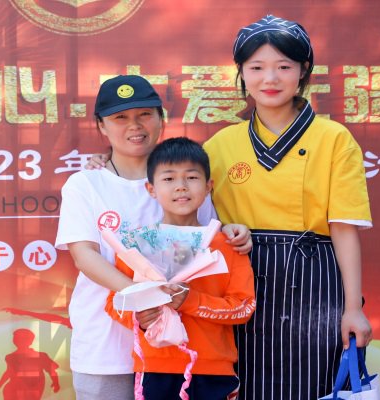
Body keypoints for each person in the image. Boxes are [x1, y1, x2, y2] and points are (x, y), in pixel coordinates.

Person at [203, 15, 374, 398]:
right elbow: (181, 204)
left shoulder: (334, 138)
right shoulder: (219, 145)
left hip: (315, 288)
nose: (270, 79)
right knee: (244, 385)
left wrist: (353, 308)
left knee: (313, 384)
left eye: (283, 67)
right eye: (256, 68)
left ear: (303, 71)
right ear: (241, 73)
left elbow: (344, 228)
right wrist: (107, 162)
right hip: (240, 286)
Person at [55, 75, 252, 400]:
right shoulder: (85, 183)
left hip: (179, 353)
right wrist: (144, 297)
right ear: (101, 126)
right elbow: (85, 256)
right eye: (120, 117)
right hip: (106, 348)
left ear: (161, 119)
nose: (135, 125)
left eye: (144, 114)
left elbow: (206, 247)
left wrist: (232, 230)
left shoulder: (184, 180)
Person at [104, 137, 256, 399]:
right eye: (169, 178)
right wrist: (139, 318)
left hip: (214, 370)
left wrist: (190, 301)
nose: (181, 186)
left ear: (208, 187)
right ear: (151, 188)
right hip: (154, 368)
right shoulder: (136, 244)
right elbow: (114, 303)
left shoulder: (227, 245)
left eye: (192, 177)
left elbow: (243, 307)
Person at [0, 328, 61, 399]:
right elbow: (9, 372)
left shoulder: (41, 356)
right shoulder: (10, 357)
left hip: (33, 388)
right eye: (16, 338)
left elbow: (51, 370)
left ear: (30, 341)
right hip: (14, 388)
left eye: (22, 338)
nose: (19, 340)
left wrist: (56, 382)